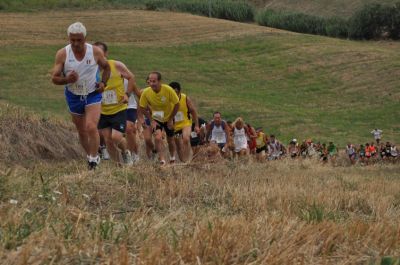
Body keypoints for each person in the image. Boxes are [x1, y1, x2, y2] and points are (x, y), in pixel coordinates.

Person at [51, 22, 110, 170]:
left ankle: (93, 160)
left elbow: (107, 67)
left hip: (92, 94)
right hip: (73, 95)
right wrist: (67, 80)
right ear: (68, 38)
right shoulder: (63, 53)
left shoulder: (95, 51)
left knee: (91, 126)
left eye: (79, 40)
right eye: (72, 40)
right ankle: (90, 154)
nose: (75, 43)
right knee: (82, 130)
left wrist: (103, 83)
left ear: (85, 38)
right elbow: (54, 78)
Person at [93, 42, 140, 166]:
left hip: (118, 108)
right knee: (108, 140)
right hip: (101, 110)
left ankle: (126, 152)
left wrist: (127, 95)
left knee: (116, 137)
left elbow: (131, 77)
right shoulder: (91, 69)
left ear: (106, 54)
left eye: (100, 53)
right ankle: (118, 166)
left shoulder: (116, 65)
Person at [138, 72, 180, 165]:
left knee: (170, 139)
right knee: (157, 137)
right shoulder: (146, 92)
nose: (152, 84)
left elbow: (177, 104)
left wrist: (171, 119)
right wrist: (151, 120)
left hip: (169, 117)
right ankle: (162, 160)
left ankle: (172, 158)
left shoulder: (168, 90)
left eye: (154, 81)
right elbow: (142, 107)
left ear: (159, 81)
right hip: (157, 118)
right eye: (150, 81)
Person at [169, 82, 200, 163]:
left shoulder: (185, 98)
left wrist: (196, 125)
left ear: (179, 91)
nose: (175, 93)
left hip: (185, 123)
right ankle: (183, 161)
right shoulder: (168, 100)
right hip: (175, 126)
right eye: (172, 92)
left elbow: (193, 112)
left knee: (186, 139)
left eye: (176, 91)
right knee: (178, 144)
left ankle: (187, 160)